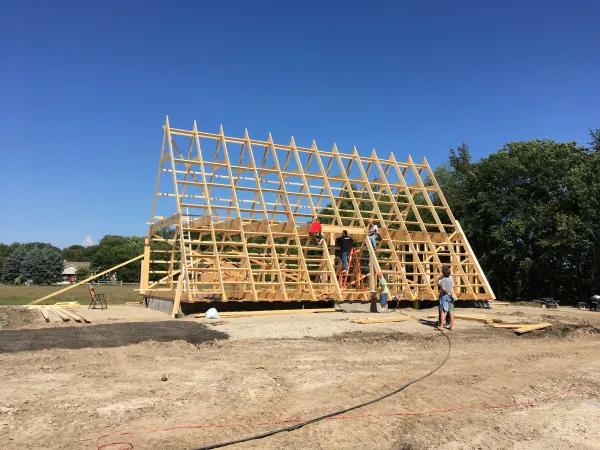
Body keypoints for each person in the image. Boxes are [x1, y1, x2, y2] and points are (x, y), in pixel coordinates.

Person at [436, 266, 455, 331]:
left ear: (443, 273)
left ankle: (441, 326)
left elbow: (441, 286)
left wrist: (439, 279)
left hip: (444, 296)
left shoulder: (443, 279)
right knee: (451, 311)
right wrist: (453, 295)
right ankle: (452, 326)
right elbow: (452, 287)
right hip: (451, 296)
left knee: (443, 311)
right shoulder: (450, 278)